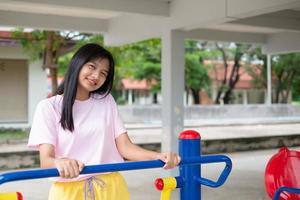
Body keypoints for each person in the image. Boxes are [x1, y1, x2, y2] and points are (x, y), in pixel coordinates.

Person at [27, 43, 181, 200]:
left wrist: (158, 156)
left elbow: (125, 147)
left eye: (103, 73)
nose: (96, 76)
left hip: (112, 188)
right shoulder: (48, 107)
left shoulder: (106, 101)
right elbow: (46, 160)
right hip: (69, 191)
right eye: (91, 67)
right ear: (77, 64)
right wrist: (60, 163)